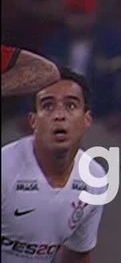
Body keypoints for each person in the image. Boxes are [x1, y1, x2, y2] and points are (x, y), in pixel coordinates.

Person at [1, 68, 107, 262]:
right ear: (33, 121)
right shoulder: (4, 170)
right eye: (48, 106)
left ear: (87, 120)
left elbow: (77, 254)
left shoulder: (94, 179)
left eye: (71, 106)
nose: (59, 115)